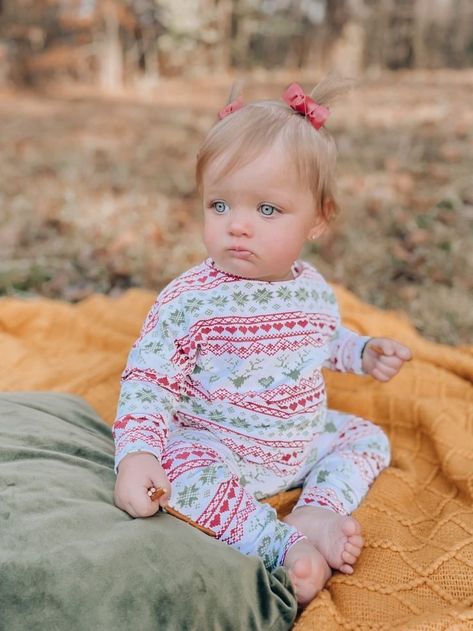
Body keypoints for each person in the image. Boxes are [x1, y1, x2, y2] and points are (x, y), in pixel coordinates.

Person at [112, 77, 412, 606]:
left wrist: (360, 352)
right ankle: (279, 543)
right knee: (177, 470)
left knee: (367, 438)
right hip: (217, 447)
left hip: (299, 440)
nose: (238, 227)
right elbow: (148, 380)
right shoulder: (191, 300)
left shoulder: (313, 288)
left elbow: (322, 338)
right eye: (220, 205)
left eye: (266, 210)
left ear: (318, 220)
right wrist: (136, 453)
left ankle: (318, 506)